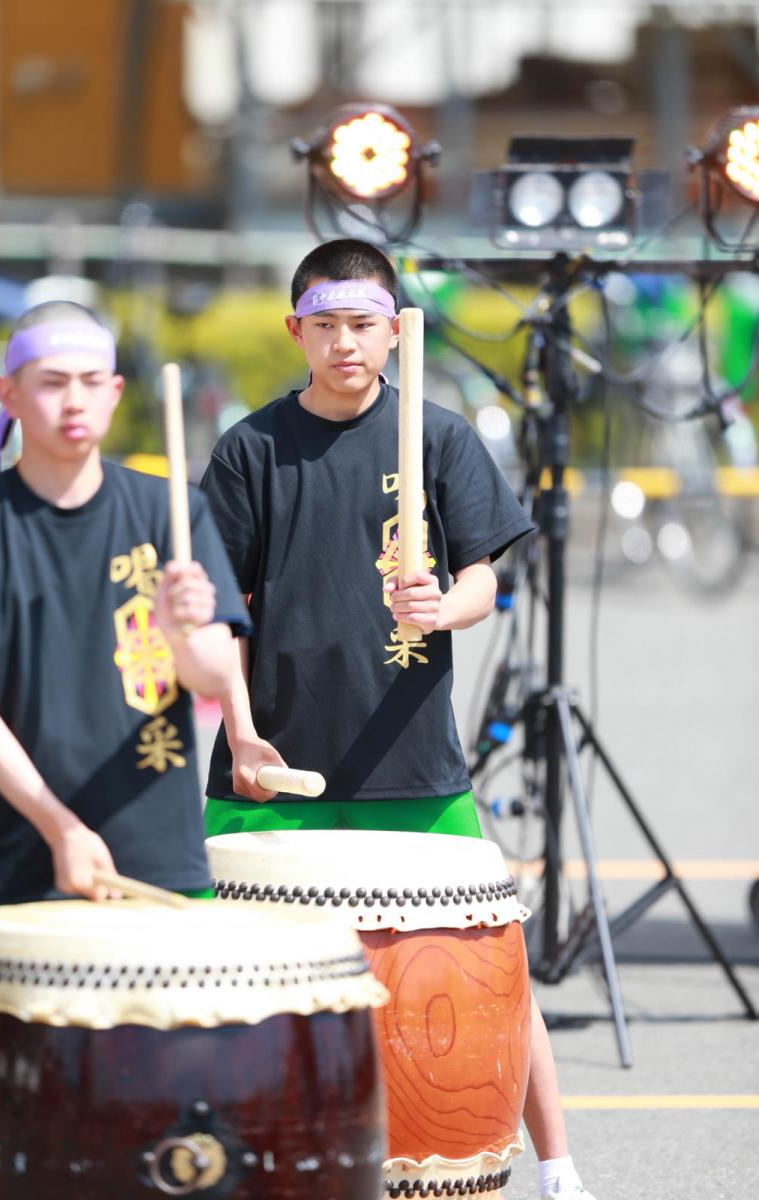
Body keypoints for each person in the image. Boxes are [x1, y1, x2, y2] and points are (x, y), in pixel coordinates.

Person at [199, 239, 595, 1200]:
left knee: (486, 962)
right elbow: (225, 613)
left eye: (363, 324)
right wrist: (243, 732)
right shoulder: (252, 448)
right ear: (296, 330)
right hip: (276, 755)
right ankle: (219, 1159)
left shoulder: (439, 436)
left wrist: (441, 607)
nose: (344, 344)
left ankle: (556, 1165)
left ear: (395, 332)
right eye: (324, 325)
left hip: (412, 752)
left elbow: (482, 580)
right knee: (216, 975)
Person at [0, 300, 250, 945]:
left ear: (115, 392)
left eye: (91, 382)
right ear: (8, 394)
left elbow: (211, 675)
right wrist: (58, 825)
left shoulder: (171, 509)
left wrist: (183, 629)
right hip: (15, 856)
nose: (74, 401)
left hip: (158, 854)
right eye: (52, 382)